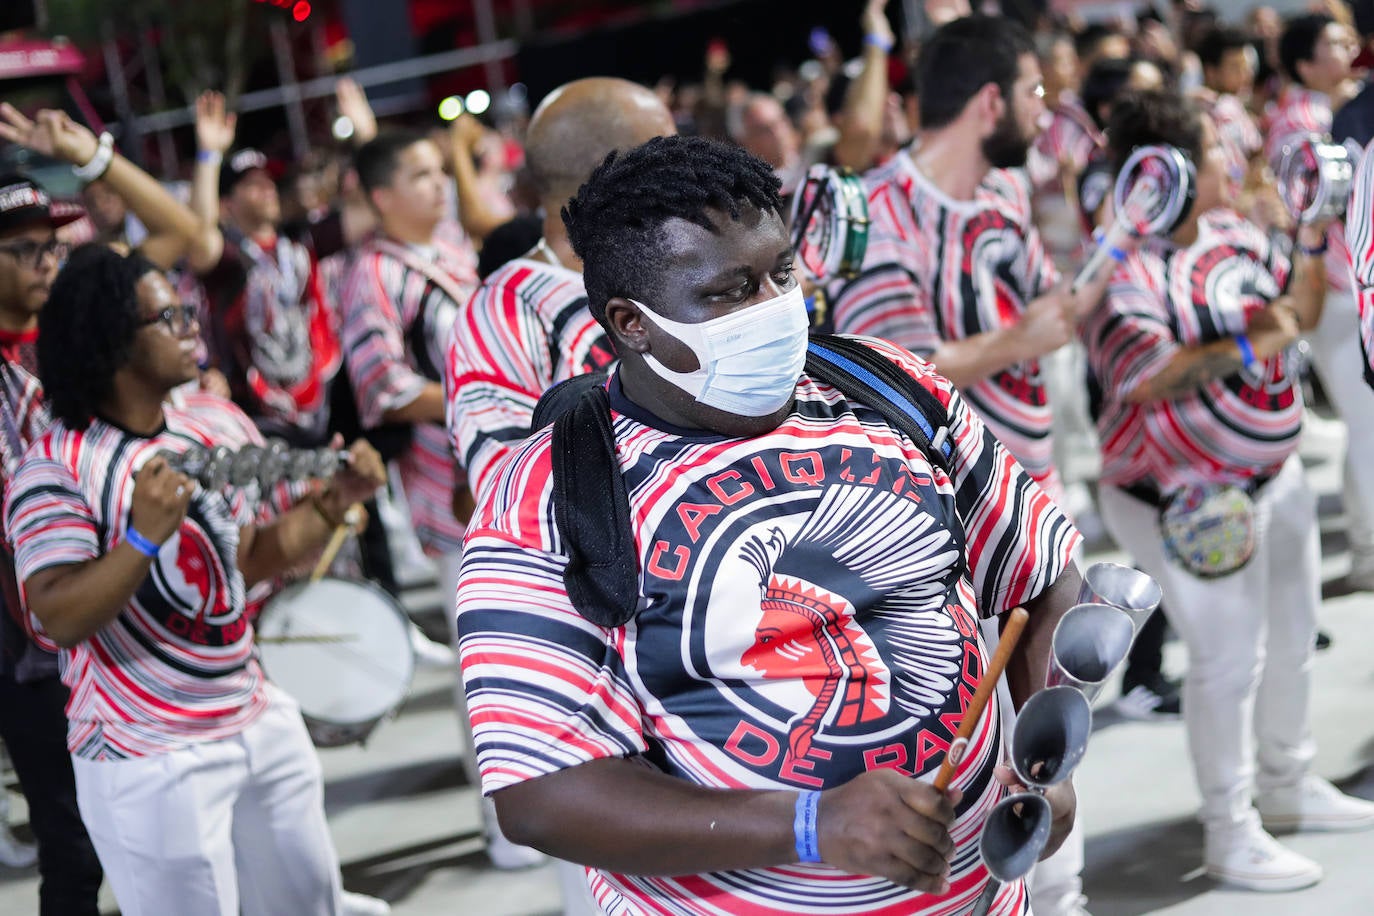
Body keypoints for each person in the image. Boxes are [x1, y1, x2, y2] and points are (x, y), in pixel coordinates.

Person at [455, 132, 1080, 916]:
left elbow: (1042, 578)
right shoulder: (547, 493)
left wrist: (1042, 762)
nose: (777, 308)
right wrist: (812, 825)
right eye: (728, 291)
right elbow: (541, 793)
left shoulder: (888, 388)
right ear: (631, 321)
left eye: (781, 272)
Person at [4, 244, 388, 915]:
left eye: (188, 313)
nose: (191, 329)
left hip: (254, 717)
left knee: (312, 905)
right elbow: (54, 616)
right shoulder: (55, 465)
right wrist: (142, 537)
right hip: (146, 754)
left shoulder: (206, 425)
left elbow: (244, 562)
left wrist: (331, 506)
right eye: (169, 319)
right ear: (114, 341)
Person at [1082, 89, 1374, 893]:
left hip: (1270, 477)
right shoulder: (1120, 267)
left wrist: (1312, 236)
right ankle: (1230, 829)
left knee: (1293, 638)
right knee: (1223, 661)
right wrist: (1253, 336)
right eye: (1214, 148)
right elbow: (1144, 377)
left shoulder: (1236, 232)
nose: (1232, 159)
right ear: (1169, 168)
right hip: (1180, 497)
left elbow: (1301, 313)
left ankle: (1286, 785)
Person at [444, 76, 676, 500]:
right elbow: (511, 497)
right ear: (616, 171)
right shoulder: (505, 311)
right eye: (668, 153)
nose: (689, 170)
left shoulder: (679, 267)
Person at [0, 177, 103, 915]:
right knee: (71, 844)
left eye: (53, 247)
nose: (46, 263)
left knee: (109, 830)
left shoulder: (71, 346)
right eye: (24, 249)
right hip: (19, 632)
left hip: (95, 609)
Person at [1268, 14, 1374, 590]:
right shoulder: (1301, 121)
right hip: (1337, 297)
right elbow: (1313, 212)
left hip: (1357, 288)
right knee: (1367, 425)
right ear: (1306, 65)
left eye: (1346, 37)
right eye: (1331, 43)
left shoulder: (1352, 104)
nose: (1347, 45)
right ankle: (1366, 557)